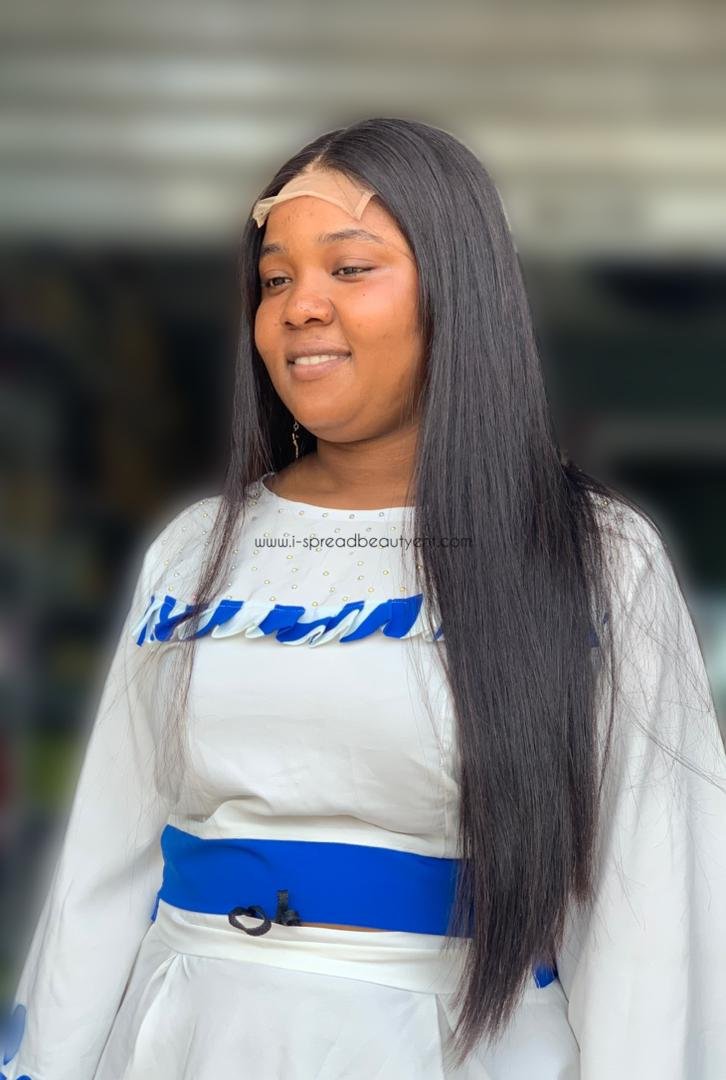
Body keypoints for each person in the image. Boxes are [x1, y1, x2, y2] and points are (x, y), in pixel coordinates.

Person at [3, 117, 725, 1080]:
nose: (300, 307)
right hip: (188, 1038)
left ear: (457, 292)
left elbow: (650, 915)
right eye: (274, 280)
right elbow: (105, 861)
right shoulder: (195, 554)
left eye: (349, 269)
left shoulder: (593, 558)